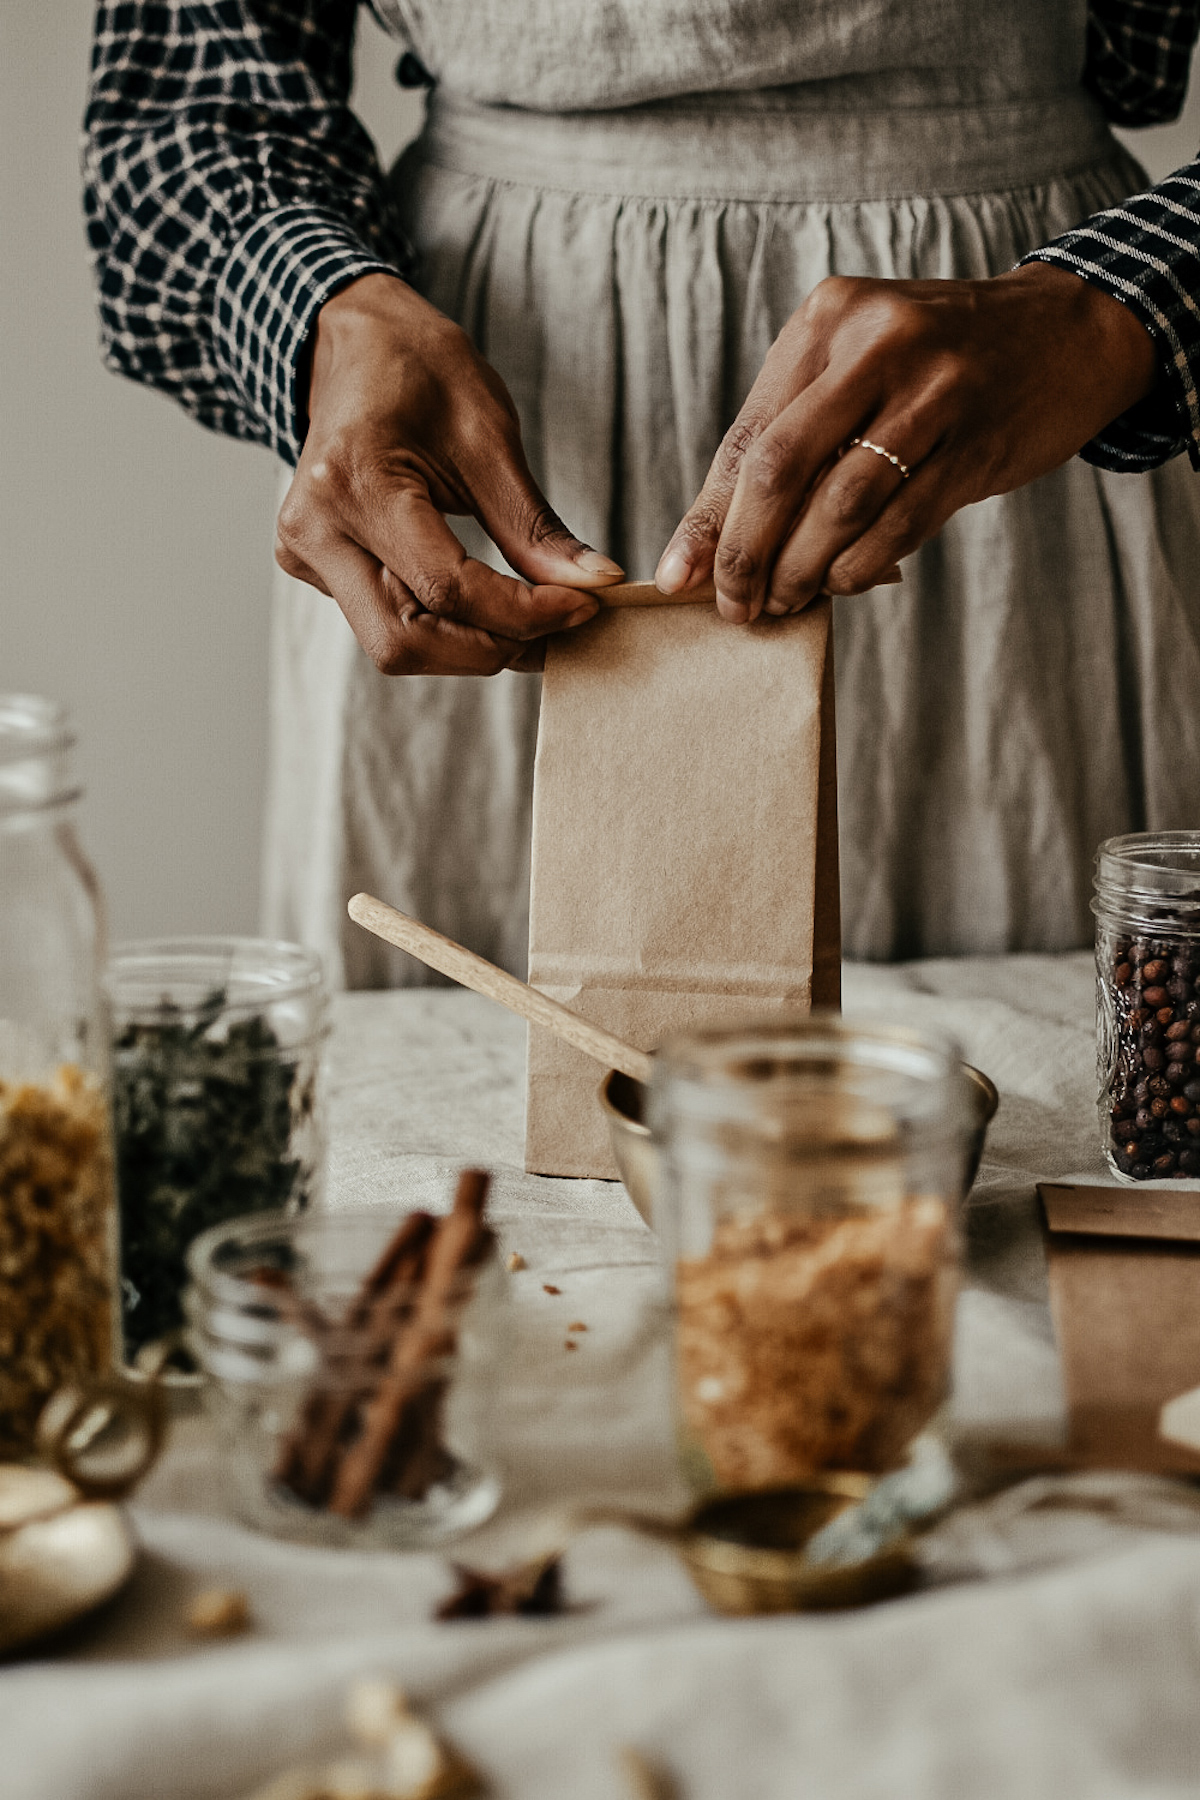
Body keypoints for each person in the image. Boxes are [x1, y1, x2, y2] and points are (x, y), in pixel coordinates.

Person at [84, 2, 1200, 983]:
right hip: (475, 443)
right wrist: (324, 319)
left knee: (1052, 1111)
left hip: (1000, 406)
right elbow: (179, 119)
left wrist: (1119, 309)